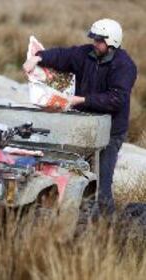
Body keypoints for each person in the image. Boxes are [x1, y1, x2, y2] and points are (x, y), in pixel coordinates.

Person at [23, 18, 137, 217]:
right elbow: (63, 56)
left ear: (112, 43)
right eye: (94, 39)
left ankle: (105, 227)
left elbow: (116, 99)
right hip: (81, 127)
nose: (95, 43)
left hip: (109, 133)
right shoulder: (86, 54)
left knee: (102, 183)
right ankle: (70, 217)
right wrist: (38, 58)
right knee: (70, 175)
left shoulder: (124, 66)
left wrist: (79, 100)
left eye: (99, 40)